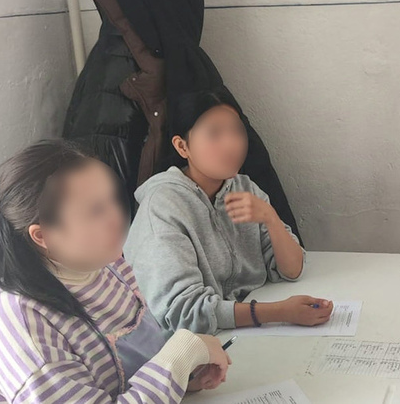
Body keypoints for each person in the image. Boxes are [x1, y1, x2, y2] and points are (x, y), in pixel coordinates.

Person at [0, 140, 231, 403]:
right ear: (42, 236)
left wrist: (181, 378)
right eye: (96, 211)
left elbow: (139, 366)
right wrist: (181, 355)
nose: (116, 217)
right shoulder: (18, 319)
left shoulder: (105, 263)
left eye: (112, 200)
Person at [124, 88, 333, 334]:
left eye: (237, 131)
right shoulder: (163, 207)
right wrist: (280, 312)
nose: (231, 144)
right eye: (214, 134)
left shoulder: (244, 187)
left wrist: (270, 217)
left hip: (238, 331)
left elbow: (292, 269)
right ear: (182, 146)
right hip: (183, 345)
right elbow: (184, 312)